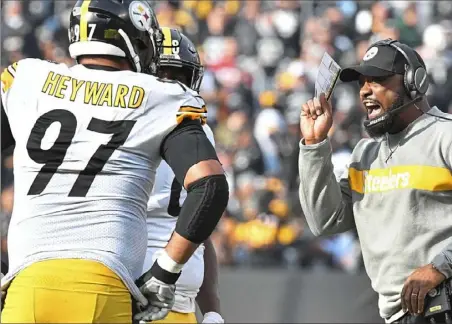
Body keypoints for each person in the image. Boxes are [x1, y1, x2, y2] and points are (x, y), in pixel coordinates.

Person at [0, 0, 229, 322]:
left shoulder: (30, 78)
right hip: (102, 283)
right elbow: (210, 186)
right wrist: (165, 272)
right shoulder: (158, 97)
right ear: (134, 38)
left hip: (27, 282)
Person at [298, 38, 452, 324]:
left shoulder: (445, 136)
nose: (365, 91)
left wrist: (440, 266)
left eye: (377, 80)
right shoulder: (365, 154)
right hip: (398, 315)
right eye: (362, 83)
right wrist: (314, 144)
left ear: (413, 82)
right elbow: (324, 221)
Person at [142, 27, 223, 324]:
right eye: (162, 75)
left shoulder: (200, 130)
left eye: (179, 77)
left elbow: (200, 226)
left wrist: (212, 309)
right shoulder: (128, 124)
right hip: (133, 293)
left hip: (181, 302)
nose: (172, 87)